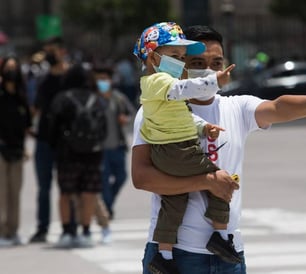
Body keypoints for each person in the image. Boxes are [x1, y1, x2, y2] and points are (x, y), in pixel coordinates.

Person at [131, 25, 306, 274]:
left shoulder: (236, 107)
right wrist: (207, 181)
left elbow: (279, 108)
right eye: (198, 62)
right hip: (176, 257)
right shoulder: (154, 112)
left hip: (228, 255)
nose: (210, 70)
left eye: (217, 62)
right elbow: (141, 177)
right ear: (180, 64)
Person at [134, 22, 240, 273]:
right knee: (221, 179)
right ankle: (221, 238)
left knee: (173, 203)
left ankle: (164, 256)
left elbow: (183, 117)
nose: (180, 63)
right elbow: (184, 89)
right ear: (153, 56)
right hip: (177, 150)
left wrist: (203, 128)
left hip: (169, 151)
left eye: (182, 58)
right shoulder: (159, 82)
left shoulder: (161, 91)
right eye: (174, 56)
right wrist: (214, 80)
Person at [48, 64, 107, 248]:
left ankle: (66, 232)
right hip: (92, 154)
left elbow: (52, 128)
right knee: (88, 193)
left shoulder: (62, 98)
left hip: (67, 154)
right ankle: (86, 232)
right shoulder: (95, 99)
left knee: (65, 193)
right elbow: (103, 128)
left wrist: (56, 148)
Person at [30, 37, 71, 243]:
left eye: (53, 51)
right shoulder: (43, 80)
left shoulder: (71, 79)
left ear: (62, 52)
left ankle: (69, 227)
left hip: (66, 141)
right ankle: (42, 228)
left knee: (67, 187)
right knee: (44, 188)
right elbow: (36, 107)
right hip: (45, 140)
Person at [93, 65, 136, 220]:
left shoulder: (118, 98)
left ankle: (106, 205)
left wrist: (126, 119)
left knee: (121, 177)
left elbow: (131, 113)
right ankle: (107, 211)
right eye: (98, 79)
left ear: (110, 80)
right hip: (100, 148)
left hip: (117, 146)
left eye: (104, 79)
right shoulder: (93, 99)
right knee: (103, 181)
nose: (102, 82)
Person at [0, 56, 32, 247]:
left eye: (14, 68)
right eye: (8, 68)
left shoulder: (22, 97)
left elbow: (27, 124)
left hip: (17, 150)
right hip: (1, 150)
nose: (11, 71)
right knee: (1, 193)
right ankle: (2, 230)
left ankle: (13, 230)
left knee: (15, 192)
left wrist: (25, 146)